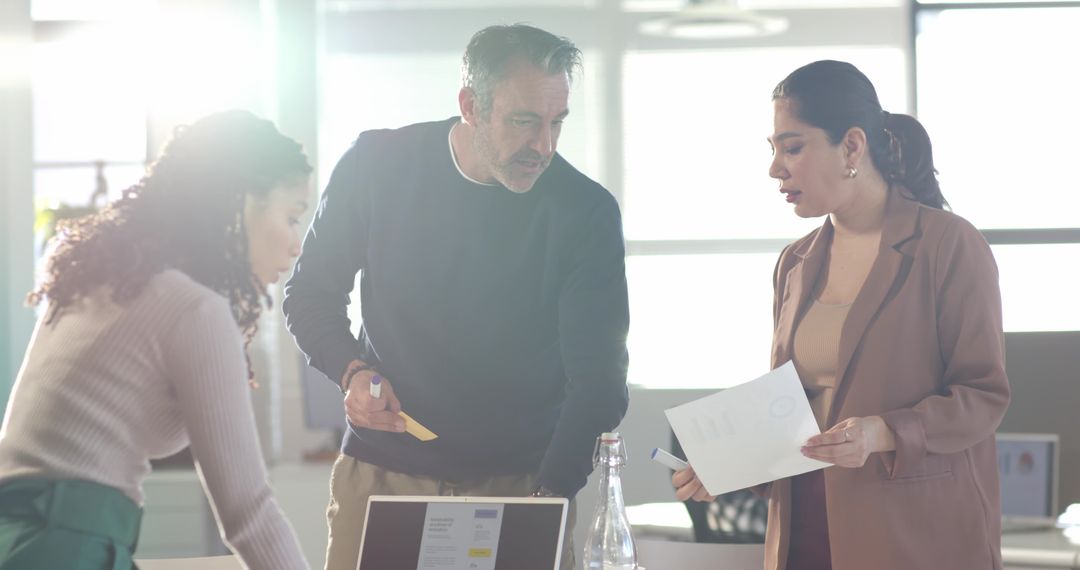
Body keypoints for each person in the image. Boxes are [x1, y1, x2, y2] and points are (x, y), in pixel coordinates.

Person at [282, 23, 629, 570]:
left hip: (522, 482)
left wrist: (548, 500)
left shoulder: (584, 211)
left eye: (556, 122)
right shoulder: (377, 165)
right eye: (524, 121)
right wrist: (353, 373)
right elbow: (310, 294)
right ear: (470, 104)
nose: (543, 145)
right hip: (383, 474)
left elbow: (600, 383)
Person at [673, 60, 1010, 570]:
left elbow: (984, 397)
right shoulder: (795, 262)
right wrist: (728, 461)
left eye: (793, 147)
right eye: (773, 150)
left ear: (852, 146)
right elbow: (792, 404)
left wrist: (884, 432)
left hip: (911, 535)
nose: (775, 168)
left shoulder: (949, 245)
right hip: (805, 527)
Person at [0, 110, 313, 569]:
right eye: (291, 217)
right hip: (65, 548)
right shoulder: (194, 310)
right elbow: (249, 513)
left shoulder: (97, 280)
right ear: (241, 205)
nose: (295, 243)